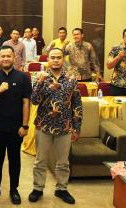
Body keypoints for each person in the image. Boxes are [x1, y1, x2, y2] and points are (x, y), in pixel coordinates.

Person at [28, 48, 82, 205]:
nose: (56, 60)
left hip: (65, 126)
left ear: (63, 59)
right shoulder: (40, 77)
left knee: (63, 162)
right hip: (44, 125)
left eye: (59, 57)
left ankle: (61, 189)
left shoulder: (72, 78)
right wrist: (39, 83)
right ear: (48, 59)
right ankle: (38, 188)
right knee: (40, 161)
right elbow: (34, 101)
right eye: (53, 57)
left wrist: (76, 127)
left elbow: (77, 103)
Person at [0, 45, 31, 205]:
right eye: (2, 56)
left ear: (14, 58)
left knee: (14, 159)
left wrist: (25, 126)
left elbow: (26, 102)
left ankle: (14, 189)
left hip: (16, 127)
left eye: (8, 56)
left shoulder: (23, 77)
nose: (5, 59)